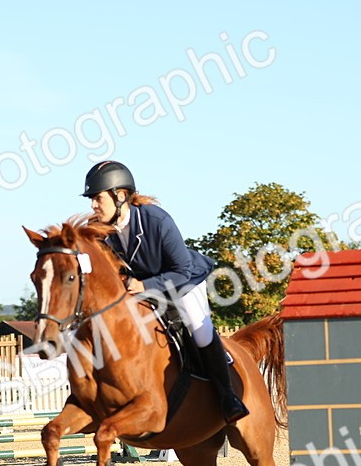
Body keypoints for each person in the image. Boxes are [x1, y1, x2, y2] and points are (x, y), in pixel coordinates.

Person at [82, 160, 248, 423]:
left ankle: (227, 396)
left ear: (120, 196)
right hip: (140, 289)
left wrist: (144, 286)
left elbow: (181, 271)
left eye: (97, 198)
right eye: (91, 199)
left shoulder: (157, 220)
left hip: (182, 282)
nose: (93, 205)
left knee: (199, 330)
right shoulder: (100, 228)